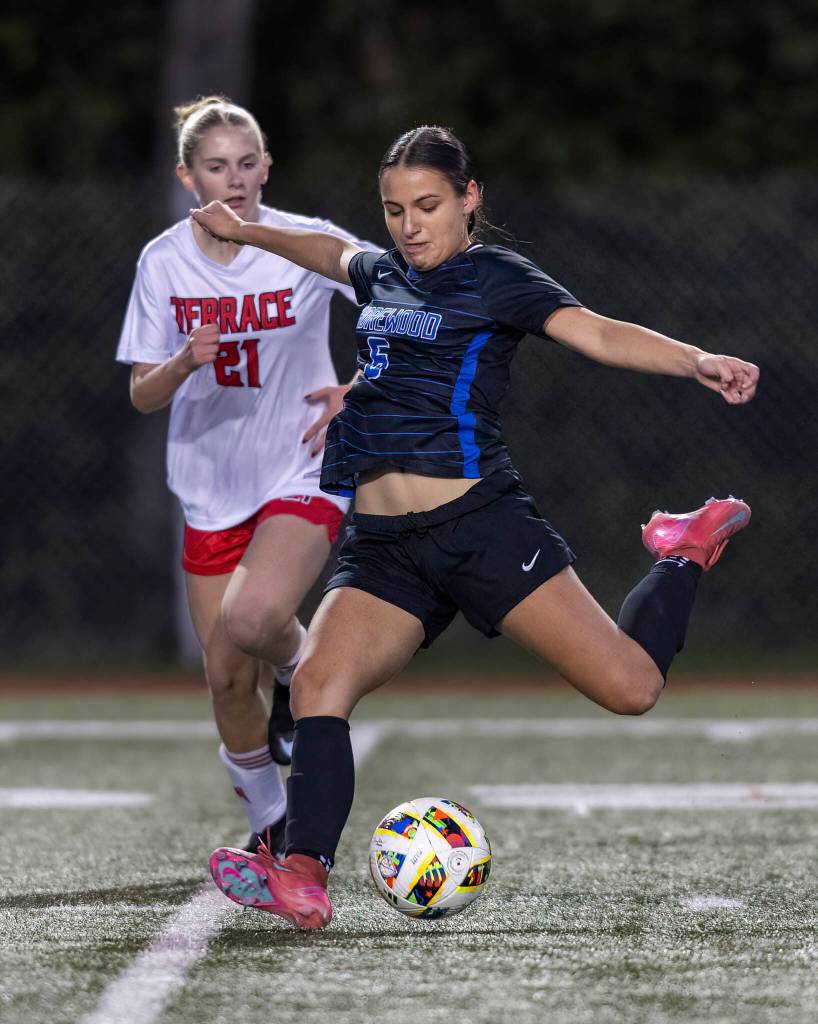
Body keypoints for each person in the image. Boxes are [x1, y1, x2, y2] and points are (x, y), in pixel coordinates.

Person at [191, 125, 759, 929]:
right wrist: (248, 231)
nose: (409, 225)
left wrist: (696, 358)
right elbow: (325, 253)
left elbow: (596, 331)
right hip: (385, 551)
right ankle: (302, 872)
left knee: (632, 688)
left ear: (469, 199)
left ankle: (681, 552)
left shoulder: (496, 277)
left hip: (478, 524)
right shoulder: (382, 270)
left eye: (427, 205)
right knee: (319, 682)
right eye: (393, 209)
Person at [116, 96, 372, 855]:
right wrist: (181, 361)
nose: (234, 179)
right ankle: (270, 827)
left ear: (267, 168)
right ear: (186, 177)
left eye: (245, 163)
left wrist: (357, 387)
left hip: (301, 463)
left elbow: (404, 305)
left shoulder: (307, 241)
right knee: (227, 681)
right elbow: (141, 394)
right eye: (215, 166)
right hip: (209, 484)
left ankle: (302, 673)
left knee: (255, 617)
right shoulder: (164, 261)